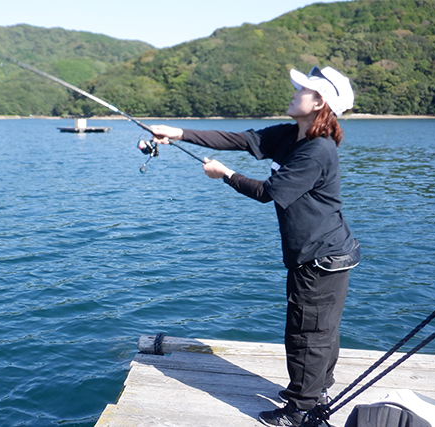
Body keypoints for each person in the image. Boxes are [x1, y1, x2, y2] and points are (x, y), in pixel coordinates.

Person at [149, 66, 360, 427]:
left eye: (302, 90)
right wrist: (178, 132)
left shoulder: (317, 150)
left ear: (319, 102)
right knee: (319, 329)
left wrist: (225, 175)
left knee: (307, 332)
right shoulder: (293, 135)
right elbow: (240, 140)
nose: (293, 93)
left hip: (321, 256)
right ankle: (316, 389)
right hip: (323, 252)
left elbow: (269, 193)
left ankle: (300, 409)